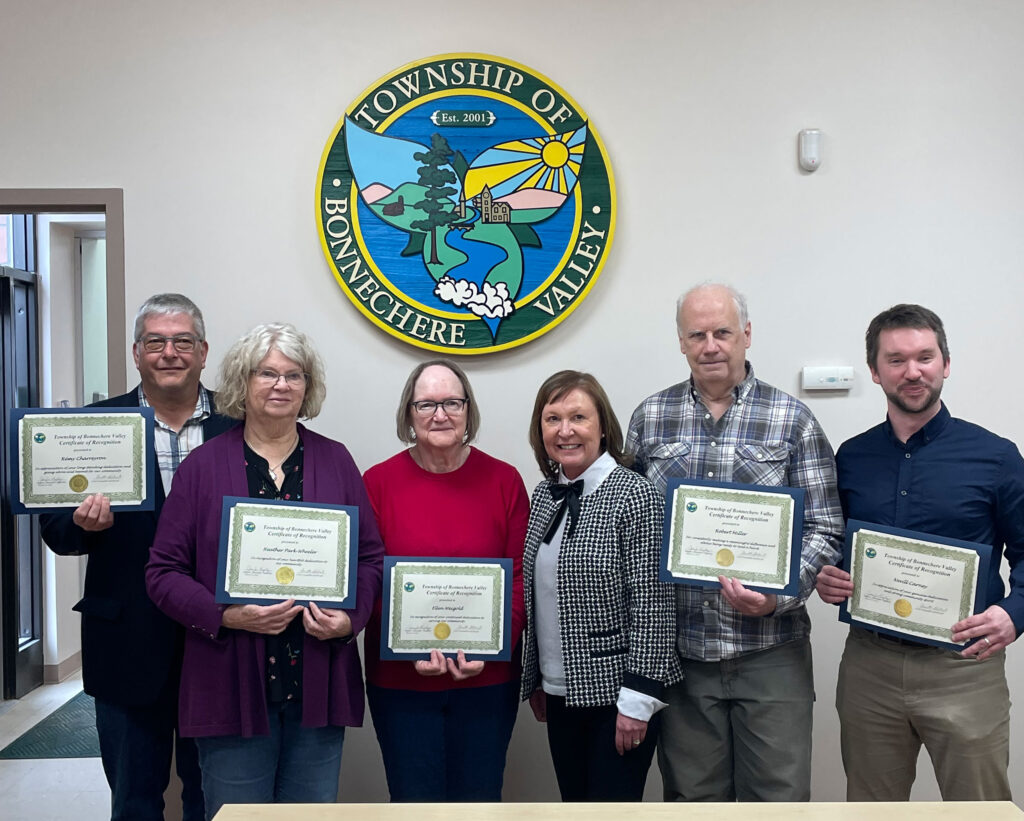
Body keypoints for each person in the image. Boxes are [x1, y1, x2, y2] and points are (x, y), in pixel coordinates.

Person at [145, 322, 384, 819]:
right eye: (267, 373)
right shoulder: (203, 467)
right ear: (242, 382)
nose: (281, 385)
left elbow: (369, 559)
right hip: (228, 688)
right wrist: (227, 615)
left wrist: (350, 621)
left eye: (294, 375)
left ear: (307, 387)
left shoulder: (336, 461)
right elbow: (162, 573)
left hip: (316, 687)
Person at [625, 283, 844, 802]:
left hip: (771, 652)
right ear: (680, 342)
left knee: (779, 801)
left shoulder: (793, 420)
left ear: (746, 334)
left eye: (722, 332)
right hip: (683, 654)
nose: (710, 346)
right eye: (696, 334)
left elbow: (826, 527)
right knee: (691, 801)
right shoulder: (649, 419)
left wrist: (777, 596)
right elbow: (628, 527)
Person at [816, 303, 1024, 801]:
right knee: (871, 807)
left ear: (945, 364)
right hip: (871, 669)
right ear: (875, 370)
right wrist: (831, 576)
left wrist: (1013, 616)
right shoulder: (852, 457)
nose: (913, 371)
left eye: (925, 357)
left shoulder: (996, 457)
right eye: (896, 360)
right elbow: (842, 549)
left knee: (980, 809)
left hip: (963, 668)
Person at [40, 293, 235, 821]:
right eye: (156, 342)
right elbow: (55, 530)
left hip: (220, 647)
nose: (169, 353)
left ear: (203, 351)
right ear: (135, 353)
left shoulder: (239, 426)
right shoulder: (92, 428)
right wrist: (79, 524)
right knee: (133, 801)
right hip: (126, 646)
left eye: (182, 342)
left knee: (215, 799)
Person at [361, 359, 528, 801]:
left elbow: (519, 580)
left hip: (487, 680)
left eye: (452, 402)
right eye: (427, 404)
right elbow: (369, 578)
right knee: (413, 802)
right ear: (408, 414)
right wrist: (409, 646)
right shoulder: (376, 483)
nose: (440, 414)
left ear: (468, 410)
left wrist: (492, 648)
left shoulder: (505, 481)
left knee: (480, 800)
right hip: (401, 683)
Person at [521, 370, 681, 802]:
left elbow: (654, 607)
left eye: (578, 417)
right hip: (559, 690)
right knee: (574, 807)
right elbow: (540, 594)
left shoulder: (636, 495)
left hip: (617, 697)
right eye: (552, 418)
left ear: (603, 426)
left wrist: (638, 701)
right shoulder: (546, 495)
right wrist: (536, 678)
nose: (565, 430)